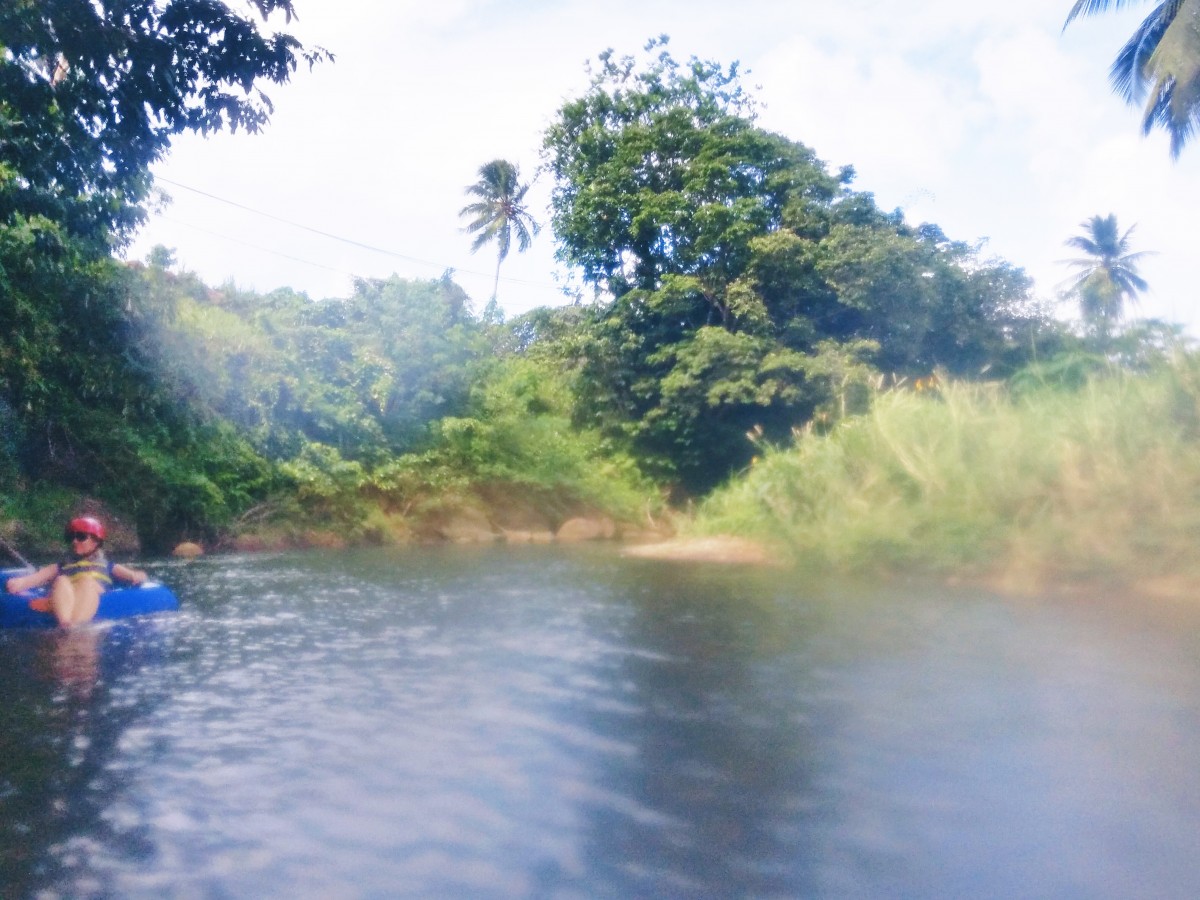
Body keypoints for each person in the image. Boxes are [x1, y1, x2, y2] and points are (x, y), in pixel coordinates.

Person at [4, 516, 148, 626]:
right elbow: (38, 577)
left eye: (81, 537)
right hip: (67, 596)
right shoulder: (61, 566)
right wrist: (21, 582)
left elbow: (134, 576)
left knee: (86, 581)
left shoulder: (108, 566)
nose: (74, 541)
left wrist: (137, 576)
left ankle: (74, 625)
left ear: (96, 542)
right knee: (61, 580)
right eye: (71, 537)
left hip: (92, 590)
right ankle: (66, 625)